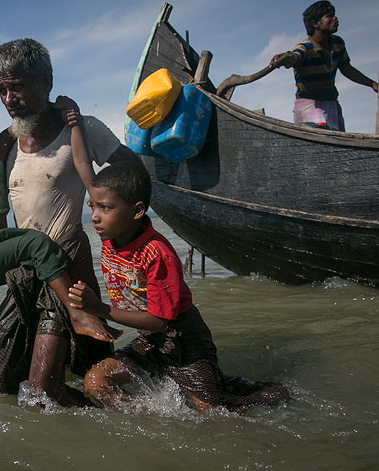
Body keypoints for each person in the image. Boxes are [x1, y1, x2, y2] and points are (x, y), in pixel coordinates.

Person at [0, 38, 143, 406]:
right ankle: (112, 413)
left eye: (17, 86)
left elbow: (133, 171)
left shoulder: (81, 130)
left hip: (65, 263)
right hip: (25, 271)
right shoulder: (6, 144)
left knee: (41, 392)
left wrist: (110, 215)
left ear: (46, 81)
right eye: (1, 90)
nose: (9, 99)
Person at [68, 162, 290, 413]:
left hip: (185, 342)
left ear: (137, 211)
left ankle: (268, 393)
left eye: (105, 208)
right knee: (97, 383)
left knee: (211, 411)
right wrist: (75, 125)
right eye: (92, 206)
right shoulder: (110, 232)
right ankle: (156, 426)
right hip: (150, 342)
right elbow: (86, 169)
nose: (95, 216)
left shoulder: (156, 254)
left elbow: (159, 320)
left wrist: (100, 309)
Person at [0, 93, 119, 342]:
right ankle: (76, 313)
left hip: (4, 242)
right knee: (36, 242)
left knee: (36, 246)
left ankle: (83, 325)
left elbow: (27, 115)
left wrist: (66, 109)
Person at [269, 0, 378, 131]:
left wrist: (372, 84)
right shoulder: (305, 47)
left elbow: (346, 68)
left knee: (338, 143)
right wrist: (286, 58)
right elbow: (295, 57)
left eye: (334, 15)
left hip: (331, 102)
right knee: (321, 136)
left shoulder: (338, 44)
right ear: (316, 24)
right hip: (310, 105)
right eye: (329, 16)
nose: (335, 18)